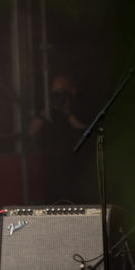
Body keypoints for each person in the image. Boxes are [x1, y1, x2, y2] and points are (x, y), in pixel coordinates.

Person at [29, 73, 94, 204]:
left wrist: (68, 112)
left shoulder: (82, 108)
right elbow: (30, 131)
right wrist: (46, 109)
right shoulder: (48, 113)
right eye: (54, 93)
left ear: (72, 91)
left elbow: (86, 132)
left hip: (78, 175)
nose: (58, 97)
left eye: (61, 92)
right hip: (53, 177)